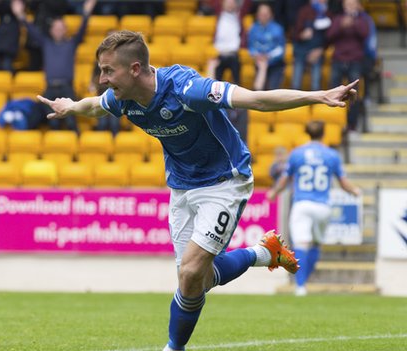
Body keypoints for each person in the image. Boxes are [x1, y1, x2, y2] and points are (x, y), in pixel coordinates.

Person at [37, 30, 359, 351]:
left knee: (191, 273)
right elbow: (95, 106)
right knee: (196, 282)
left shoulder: (186, 89)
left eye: (108, 70)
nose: (103, 79)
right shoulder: (125, 99)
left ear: (134, 69)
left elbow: (256, 99)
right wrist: (71, 107)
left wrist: (318, 96)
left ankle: (173, 348)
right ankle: (263, 253)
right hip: (181, 187)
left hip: (224, 180)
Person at [267, 121, 361, 296]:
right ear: (324, 133)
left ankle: (300, 286)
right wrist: (355, 190)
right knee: (316, 243)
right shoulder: (331, 155)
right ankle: (303, 282)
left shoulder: (297, 154)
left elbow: (284, 179)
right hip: (323, 206)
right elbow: (343, 182)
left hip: (302, 204)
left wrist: (274, 192)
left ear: (306, 132)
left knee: (301, 243)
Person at [12, 0, 97, 133]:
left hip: (67, 88)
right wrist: (20, 15)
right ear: (51, 30)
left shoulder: (71, 43)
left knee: (71, 122)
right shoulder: (46, 43)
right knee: (53, 123)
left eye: (61, 27)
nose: (58, 30)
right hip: (50, 88)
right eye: (55, 28)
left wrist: (86, 12)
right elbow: (31, 30)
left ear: (65, 30)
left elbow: (82, 29)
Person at [326, 0, 369, 131]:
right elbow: (329, 36)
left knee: (354, 94)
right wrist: (341, 26)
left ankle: (352, 124)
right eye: (348, 4)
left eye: (352, 4)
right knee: (333, 92)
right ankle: (335, 122)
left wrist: (353, 24)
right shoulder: (338, 19)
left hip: (355, 60)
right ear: (344, 6)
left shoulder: (362, 19)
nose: (350, 6)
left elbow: (365, 34)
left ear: (357, 5)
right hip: (338, 59)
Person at [291, 0, 332, 91]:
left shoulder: (328, 14)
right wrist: (302, 35)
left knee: (316, 84)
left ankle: (315, 104)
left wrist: (320, 50)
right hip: (301, 50)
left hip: (317, 51)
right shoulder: (304, 11)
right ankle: (295, 104)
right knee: (296, 83)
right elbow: (294, 34)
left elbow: (329, 38)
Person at [247, 3, 286, 91]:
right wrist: (257, 55)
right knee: (260, 91)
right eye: (261, 14)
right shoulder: (253, 29)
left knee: (273, 91)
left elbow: (281, 49)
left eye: (266, 14)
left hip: (275, 65)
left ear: (271, 15)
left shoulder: (278, 28)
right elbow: (251, 47)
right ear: (257, 15)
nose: (263, 16)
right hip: (260, 62)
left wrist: (269, 56)